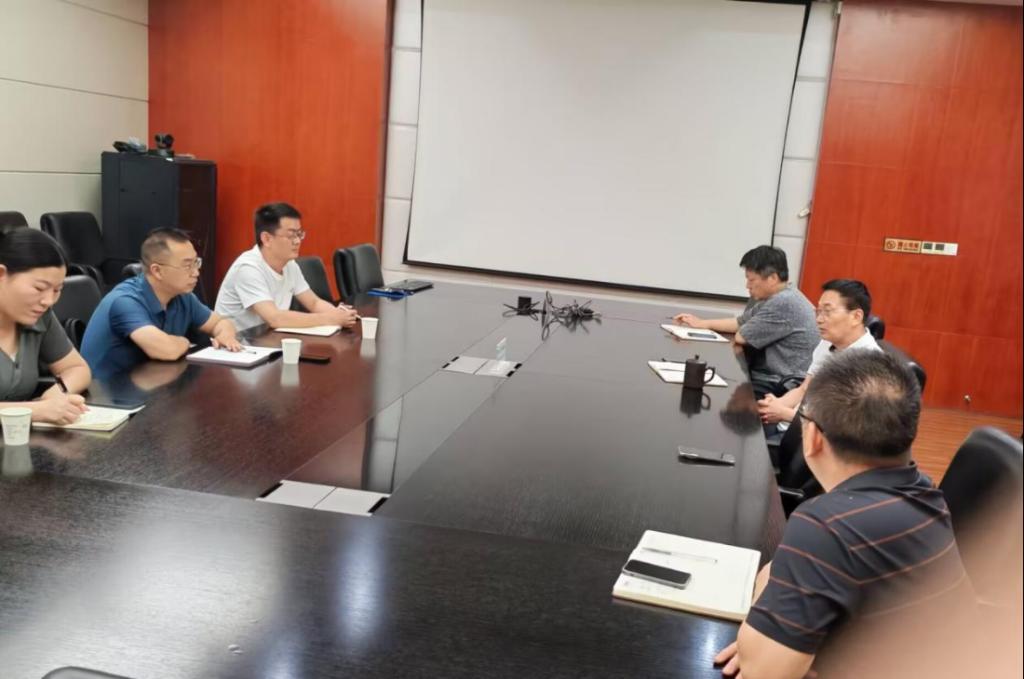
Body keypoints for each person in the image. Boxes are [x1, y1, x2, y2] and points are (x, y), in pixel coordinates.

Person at [714, 350, 973, 679]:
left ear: (812, 437)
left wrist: (762, 636)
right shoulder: (926, 493)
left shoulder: (826, 525)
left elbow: (760, 671)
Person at [81, 228, 242, 375]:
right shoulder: (125, 301)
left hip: (152, 381)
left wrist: (226, 336)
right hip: (107, 391)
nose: (196, 273)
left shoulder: (182, 296)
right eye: (187, 266)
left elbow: (219, 322)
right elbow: (166, 350)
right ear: (157, 271)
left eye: (196, 263)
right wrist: (185, 342)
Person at [674, 246, 817, 395]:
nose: (747, 285)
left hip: (779, 383)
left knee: (715, 391)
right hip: (770, 376)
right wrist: (703, 323)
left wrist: (743, 328)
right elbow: (740, 322)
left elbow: (742, 336)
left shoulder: (784, 302)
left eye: (751, 280)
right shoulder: (782, 295)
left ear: (772, 278)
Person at [214, 202, 359, 331]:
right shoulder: (248, 268)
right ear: (267, 239)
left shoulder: (289, 264)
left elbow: (314, 303)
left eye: (299, 234)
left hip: (267, 339)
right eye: (291, 236)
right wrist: (330, 318)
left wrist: (338, 314)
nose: (297, 241)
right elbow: (275, 318)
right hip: (237, 345)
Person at [758, 279, 881, 425]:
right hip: (793, 425)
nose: (819, 319)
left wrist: (783, 413)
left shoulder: (870, 365)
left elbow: (841, 426)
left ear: (856, 317)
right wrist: (773, 405)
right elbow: (804, 389)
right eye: (819, 311)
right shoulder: (827, 342)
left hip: (816, 436)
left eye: (827, 311)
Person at [0, 228, 91, 424]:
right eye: (39, 288)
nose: (48, 301)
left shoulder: (40, 316)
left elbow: (77, 368)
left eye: (57, 290)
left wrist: (57, 393)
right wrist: (35, 411)